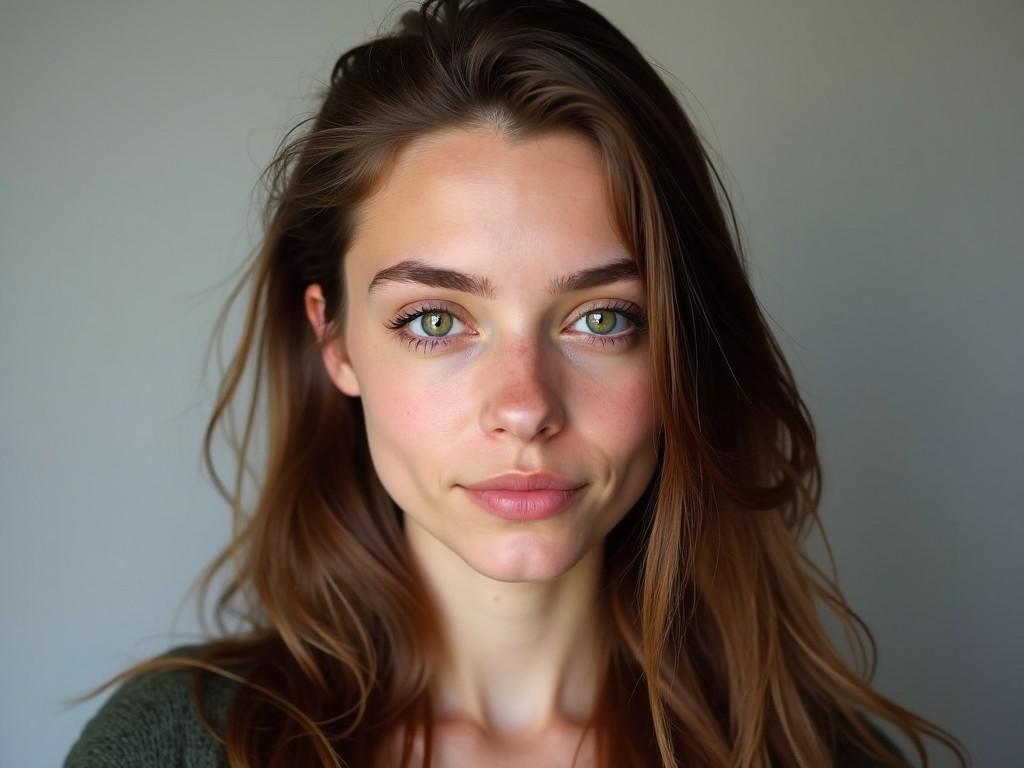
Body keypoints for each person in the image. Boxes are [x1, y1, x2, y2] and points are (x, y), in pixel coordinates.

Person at [62, 1, 970, 766]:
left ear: (680, 347)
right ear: (333, 341)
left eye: (603, 318)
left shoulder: (820, 752)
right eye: (435, 320)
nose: (526, 406)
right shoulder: (169, 745)